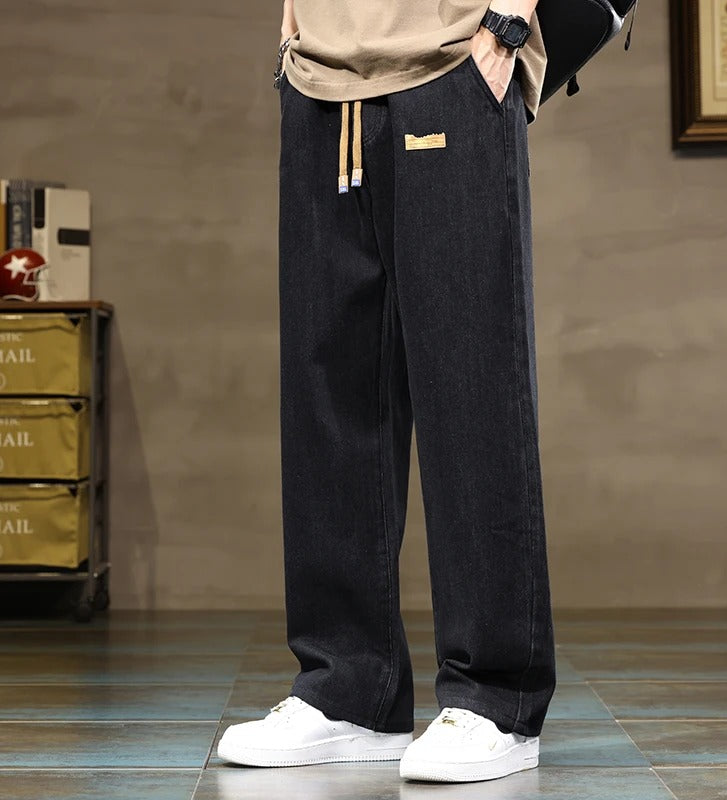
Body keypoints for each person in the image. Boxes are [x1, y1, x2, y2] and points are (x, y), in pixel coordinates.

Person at [217, 0, 557, 784]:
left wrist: (507, 23)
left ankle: (496, 699)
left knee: (470, 384)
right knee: (328, 393)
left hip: (455, 61)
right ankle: (348, 690)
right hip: (319, 78)